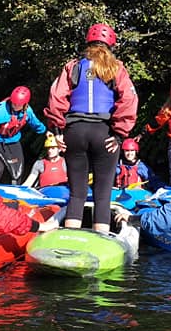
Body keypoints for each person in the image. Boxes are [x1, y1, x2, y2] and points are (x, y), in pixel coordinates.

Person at [44, 22, 138, 234]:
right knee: (102, 194)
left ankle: (70, 239)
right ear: (111, 45)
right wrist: (119, 134)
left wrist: (57, 131)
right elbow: (129, 99)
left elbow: (56, 98)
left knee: (77, 193)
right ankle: (101, 240)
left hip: (74, 132)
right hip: (103, 133)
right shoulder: (116, 68)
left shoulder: (74, 66)